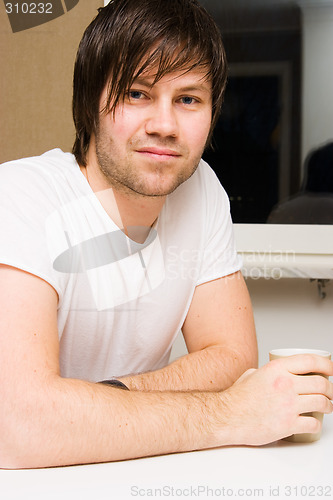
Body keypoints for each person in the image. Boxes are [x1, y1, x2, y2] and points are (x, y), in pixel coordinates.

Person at [0, 0, 332, 469]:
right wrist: (229, 412)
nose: (164, 126)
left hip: (129, 472)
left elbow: (233, 357)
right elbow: (17, 427)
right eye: (137, 93)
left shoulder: (202, 190)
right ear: (90, 102)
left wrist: (100, 402)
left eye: (188, 99)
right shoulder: (20, 195)